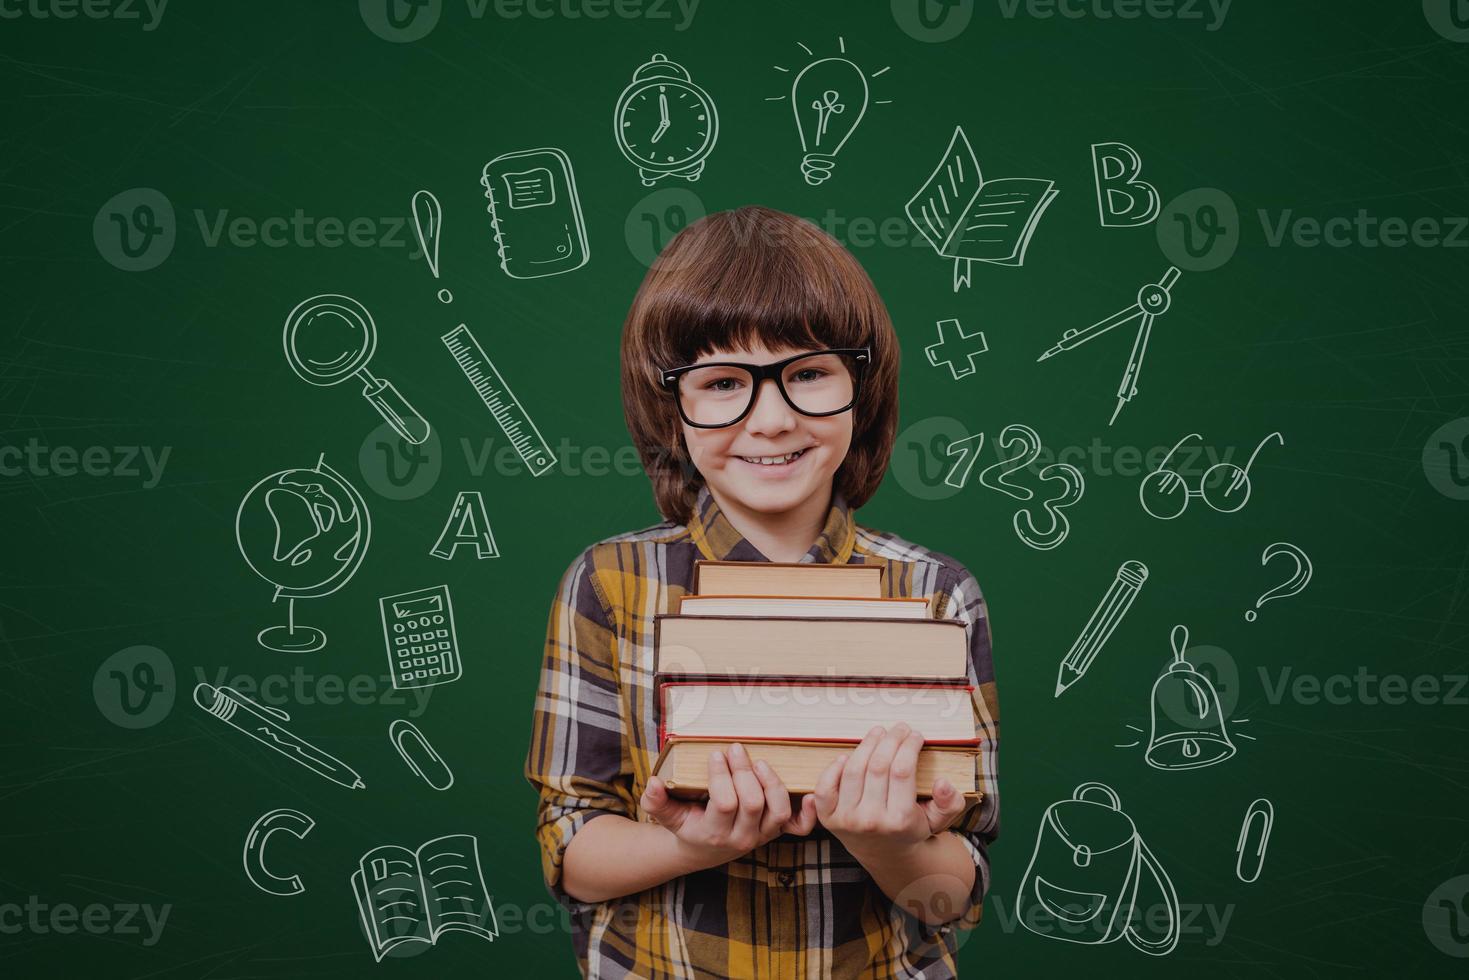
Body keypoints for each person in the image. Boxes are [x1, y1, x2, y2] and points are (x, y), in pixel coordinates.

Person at [524, 206, 999, 979]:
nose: (770, 420)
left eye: (807, 373)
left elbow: (955, 897)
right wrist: (688, 843)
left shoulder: (936, 592)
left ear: (861, 387)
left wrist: (886, 841)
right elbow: (570, 848)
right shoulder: (608, 584)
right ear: (670, 406)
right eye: (721, 383)